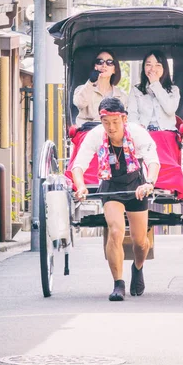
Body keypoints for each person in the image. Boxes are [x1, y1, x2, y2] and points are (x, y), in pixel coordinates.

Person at [71, 97, 160, 301]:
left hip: (136, 185)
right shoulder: (96, 135)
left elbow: (153, 161)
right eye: (106, 122)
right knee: (116, 232)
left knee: (140, 242)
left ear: (124, 119)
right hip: (110, 184)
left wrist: (149, 183)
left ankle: (138, 267)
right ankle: (118, 283)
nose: (110, 127)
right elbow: (78, 165)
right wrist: (81, 185)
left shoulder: (137, 133)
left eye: (115, 122)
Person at [127, 50, 180, 131]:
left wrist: (155, 84)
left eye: (158, 65)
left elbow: (170, 109)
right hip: (144, 134)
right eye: (148, 65)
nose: (152, 69)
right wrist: (139, 130)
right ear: (144, 67)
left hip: (166, 134)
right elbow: (132, 114)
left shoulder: (173, 89)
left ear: (164, 68)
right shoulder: (136, 90)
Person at [73, 49, 127, 127]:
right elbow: (79, 103)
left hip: (112, 133)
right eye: (100, 62)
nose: (104, 65)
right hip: (87, 131)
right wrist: (91, 82)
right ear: (95, 67)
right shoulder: (82, 89)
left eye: (109, 62)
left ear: (114, 69)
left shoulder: (121, 96)